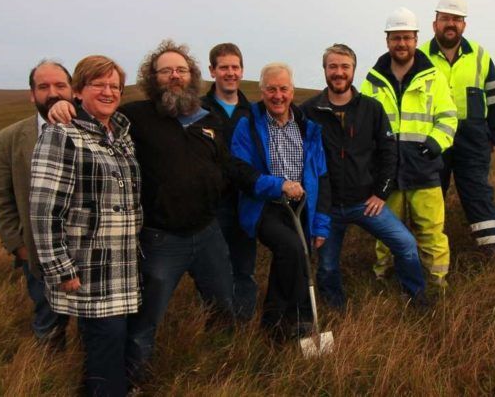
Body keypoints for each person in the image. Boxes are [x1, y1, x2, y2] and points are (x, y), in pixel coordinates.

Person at [48, 40, 259, 385]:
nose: (174, 76)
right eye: (166, 71)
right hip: (162, 240)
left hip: (208, 233)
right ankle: (133, 381)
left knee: (223, 304)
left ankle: (224, 365)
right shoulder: (133, 116)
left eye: (181, 70)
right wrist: (62, 105)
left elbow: (229, 164)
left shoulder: (206, 119)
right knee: (146, 321)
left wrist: (269, 184)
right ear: (153, 77)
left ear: (191, 75)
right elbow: (94, 115)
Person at [30, 55, 142, 396]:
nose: (108, 91)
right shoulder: (61, 134)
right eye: (98, 85)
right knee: (105, 346)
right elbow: (44, 211)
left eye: (114, 86)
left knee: (112, 346)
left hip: (124, 267)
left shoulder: (121, 134)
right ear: (78, 91)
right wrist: (61, 269)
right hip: (89, 269)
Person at [301, 44, 427, 309]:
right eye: (333, 66)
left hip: (365, 203)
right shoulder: (308, 112)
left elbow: (388, 152)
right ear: (324, 70)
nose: (339, 72)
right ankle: (336, 311)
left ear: (353, 70)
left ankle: (416, 301)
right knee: (326, 267)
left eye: (344, 66)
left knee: (406, 244)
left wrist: (381, 193)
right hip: (328, 208)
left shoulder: (372, 108)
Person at [360, 7, 458, 291]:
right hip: (386, 175)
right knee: (385, 234)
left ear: (416, 39)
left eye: (406, 37)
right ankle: (383, 282)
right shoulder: (372, 80)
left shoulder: (434, 77)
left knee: (431, 233)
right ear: (387, 40)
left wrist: (435, 144)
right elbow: (365, 125)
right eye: (395, 38)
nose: (401, 43)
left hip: (425, 171)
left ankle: (437, 285)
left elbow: (448, 118)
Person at [231, 62, 331, 340]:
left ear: (292, 91)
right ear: (261, 91)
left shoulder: (308, 128)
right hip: (264, 207)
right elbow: (241, 171)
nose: (278, 96)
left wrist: (321, 223)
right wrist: (279, 186)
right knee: (292, 249)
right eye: (271, 89)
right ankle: (300, 321)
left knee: (293, 258)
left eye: (283, 89)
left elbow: (321, 177)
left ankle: (274, 326)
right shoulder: (248, 125)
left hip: (301, 209)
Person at [0, 60, 71, 349]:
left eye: (60, 85)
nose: (53, 93)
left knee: (94, 326)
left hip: (87, 251)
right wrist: (19, 246)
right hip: (38, 253)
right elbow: (0, 198)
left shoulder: (92, 129)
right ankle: (46, 376)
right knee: (48, 319)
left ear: (73, 90)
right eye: (43, 86)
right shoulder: (9, 139)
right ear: (32, 94)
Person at [420, 0, 495, 256]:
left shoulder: (480, 55)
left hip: (473, 138)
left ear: (464, 25)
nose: (451, 24)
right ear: (435, 23)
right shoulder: (420, 56)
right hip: (434, 138)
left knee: (477, 192)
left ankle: (490, 250)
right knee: (432, 195)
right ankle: (432, 251)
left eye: (457, 19)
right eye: (446, 18)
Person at [200, 43, 257, 321]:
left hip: (246, 201)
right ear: (212, 71)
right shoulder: (198, 110)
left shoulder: (254, 112)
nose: (230, 73)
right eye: (224, 67)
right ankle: (219, 326)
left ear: (242, 70)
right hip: (213, 203)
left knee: (244, 267)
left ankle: (243, 325)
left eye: (235, 67)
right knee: (215, 268)